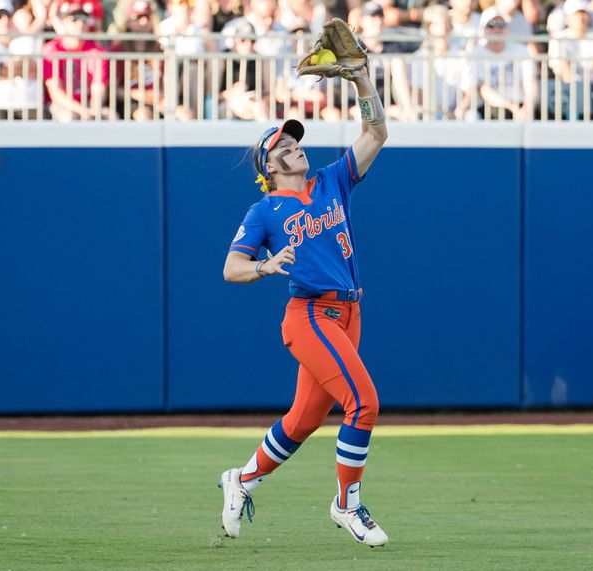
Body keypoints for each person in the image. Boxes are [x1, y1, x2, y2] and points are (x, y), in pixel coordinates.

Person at [220, 62, 389, 548]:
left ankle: (243, 479)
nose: (296, 149)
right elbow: (231, 268)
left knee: (305, 419)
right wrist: (266, 268)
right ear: (269, 168)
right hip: (310, 316)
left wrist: (360, 79)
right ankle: (347, 505)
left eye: (296, 143)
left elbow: (376, 130)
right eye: (284, 148)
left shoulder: (333, 181)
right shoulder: (265, 210)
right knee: (363, 403)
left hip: (349, 314)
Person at [42, 0, 114, 120]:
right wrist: (81, 110)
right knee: (70, 117)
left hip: (89, 105)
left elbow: (98, 88)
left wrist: (93, 111)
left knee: (111, 116)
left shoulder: (97, 51)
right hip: (62, 105)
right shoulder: (52, 49)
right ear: (63, 23)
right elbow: (55, 92)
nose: (80, 24)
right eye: (74, 20)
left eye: (84, 20)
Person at [463, 14, 537, 120]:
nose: (497, 29)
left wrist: (527, 107)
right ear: (484, 30)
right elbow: (484, 89)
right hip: (492, 106)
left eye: (501, 25)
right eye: (491, 25)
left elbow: (530, 83)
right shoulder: (475, 54)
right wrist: (511, 108)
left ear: (508, 29)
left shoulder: (521, 51)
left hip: (520, 104)